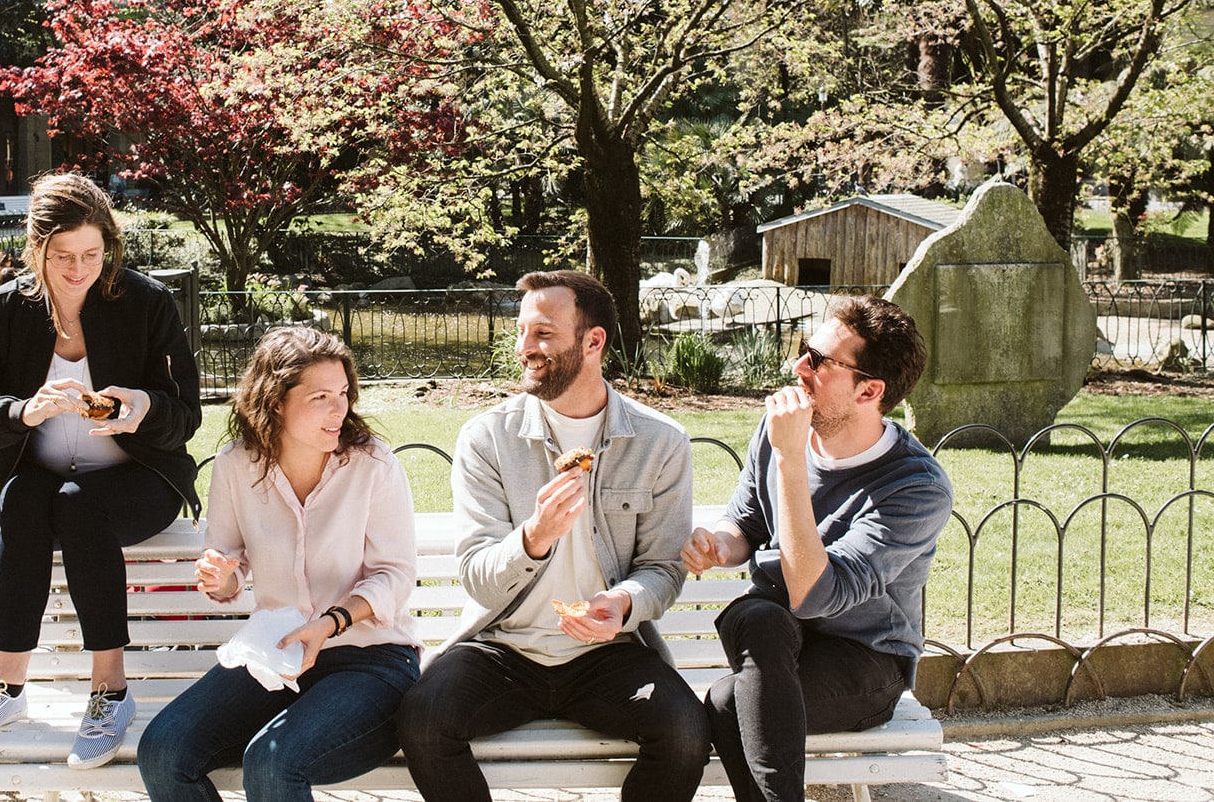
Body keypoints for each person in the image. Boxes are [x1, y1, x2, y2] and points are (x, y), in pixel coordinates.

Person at [396, 270, 710, 802]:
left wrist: (623, 603)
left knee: (685, 735)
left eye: (542, 334)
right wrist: (534, 537)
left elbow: (663, 568)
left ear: (593, 342)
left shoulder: (661, 443)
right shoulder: (487, 438)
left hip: (608, 654)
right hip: (503, 649)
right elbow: (477, 577)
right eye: (521, 332)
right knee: (423, 723)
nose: (524, 349)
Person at [0, 171, 202, 770]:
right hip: (39, 481)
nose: (79, 269)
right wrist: (22, 409)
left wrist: (142, 409)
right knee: (27, 499)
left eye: (92, 254)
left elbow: (184, 412)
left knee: (79, 501)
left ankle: (111, 692)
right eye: (63, 257)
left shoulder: (145, 302)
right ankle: (6, 689)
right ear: (36, 251)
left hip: (138, 480)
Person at [681, 296, 954, 802]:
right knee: (755, 616)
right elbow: (747, 520)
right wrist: (719, 545)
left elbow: (817, 594)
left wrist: (790, 458)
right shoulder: (779, 433)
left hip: (866, 659)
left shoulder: (915, 487)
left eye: (820, 361)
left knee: (726, 703)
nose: (797, 366)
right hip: (778, 637)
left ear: (869, 390)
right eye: (805, 349)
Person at [137, 326, 421, 801]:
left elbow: (395, 574)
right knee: (164, 753)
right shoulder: (235, 465)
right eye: (320, 398)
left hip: (371, 660)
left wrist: (330, 624)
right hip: (276, 654)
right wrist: (221, 578)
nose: (339, 410)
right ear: (276, 402)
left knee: (271, 762)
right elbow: (228, 568)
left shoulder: (372, 464)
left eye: (344, 394)